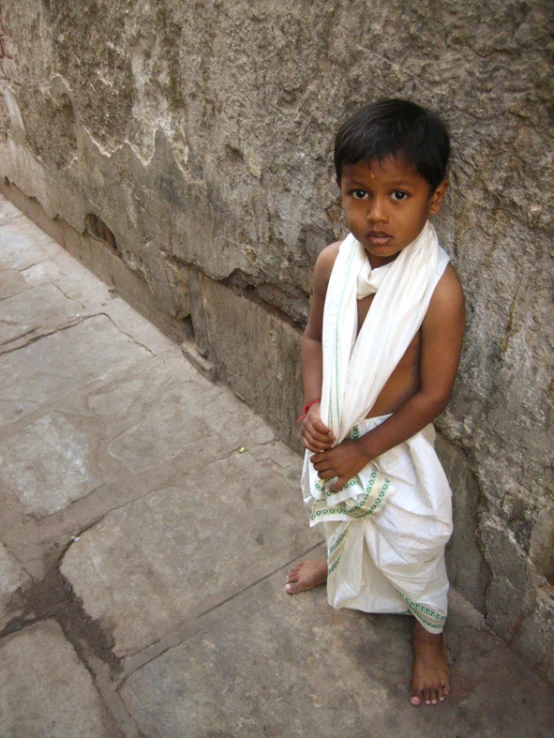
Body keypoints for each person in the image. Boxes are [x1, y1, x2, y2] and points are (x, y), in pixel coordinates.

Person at [285, 99, 465, 707]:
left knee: (414, 541)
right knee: (341, 513)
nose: (377, 214)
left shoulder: (438, 292)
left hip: (393, 443)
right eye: (359, 194)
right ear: (340, 193)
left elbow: (433, 393)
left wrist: (364, 450)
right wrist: (315, 408)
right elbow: (313, 339)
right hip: (336, 432)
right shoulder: (333, 264)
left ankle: (428, 636)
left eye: (398, 195)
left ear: (433, 198)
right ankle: (338, 566)